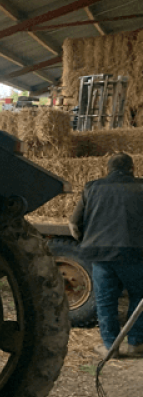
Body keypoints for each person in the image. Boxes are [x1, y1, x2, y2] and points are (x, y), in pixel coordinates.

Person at [70, 152, 143, 358]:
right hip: (135, 254)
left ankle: (111, 346)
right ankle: (136, 342)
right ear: (132, 169)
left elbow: (74, 225)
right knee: (138, 297)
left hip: (101, 255)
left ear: (108, 169)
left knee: (106, 300)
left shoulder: (91, 187)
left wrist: (86, 240)